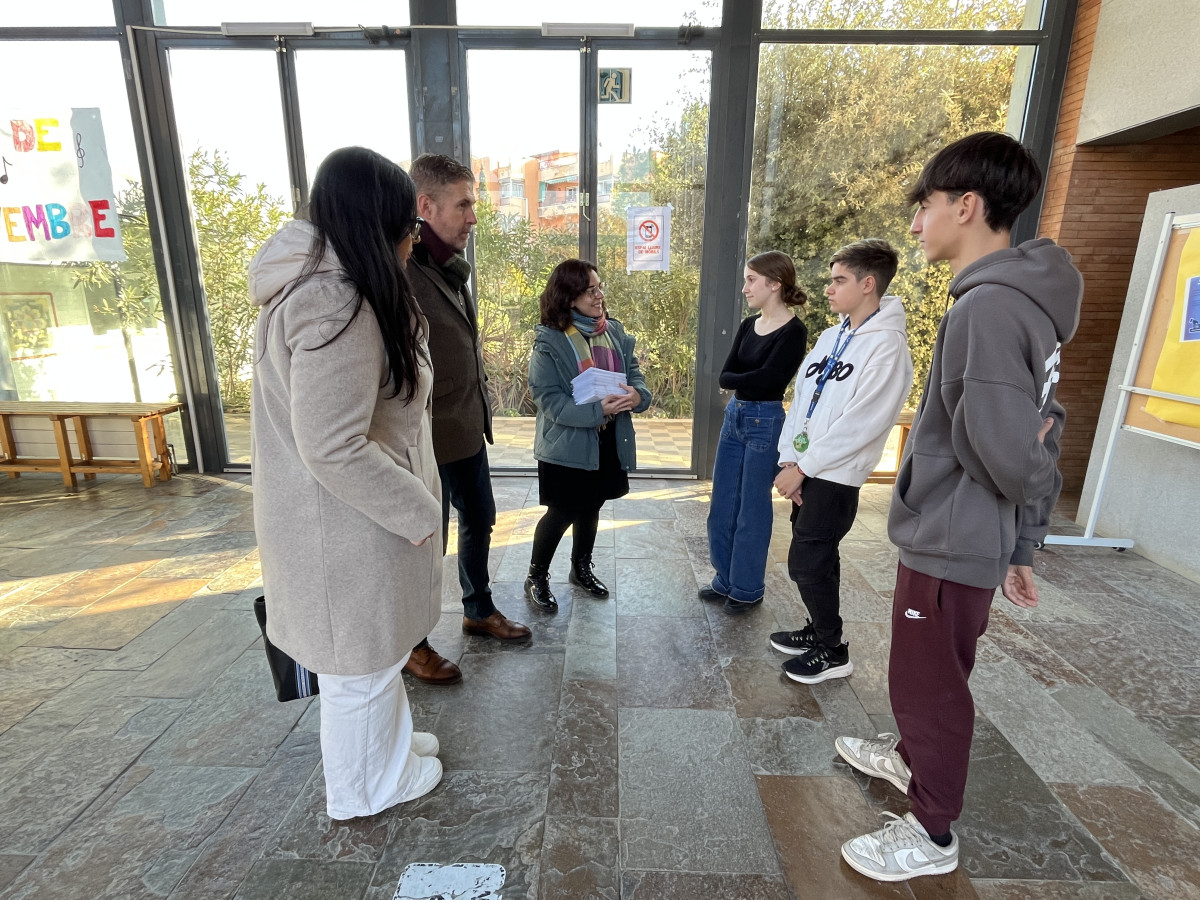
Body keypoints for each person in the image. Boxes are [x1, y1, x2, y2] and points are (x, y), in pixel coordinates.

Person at [835, 132, 1082, 882]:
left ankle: (932, 830)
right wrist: (1022, 543)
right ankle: (912, 760)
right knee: (935, 672)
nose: (917, 225)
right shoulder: (1022, 303)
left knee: (929, 686)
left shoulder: (988, 308)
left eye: (927, 207)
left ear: (966, 206)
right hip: (969, 533)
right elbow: (1044, 424)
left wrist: (1019, 521)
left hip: (953, 535)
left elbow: (1013, 447)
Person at [250, 147, 444, 819]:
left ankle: (387, 752)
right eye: (408, 224)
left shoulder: (322, 289)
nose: (413, 238)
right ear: (376, 223)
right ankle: (365, 789)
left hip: (342, 521)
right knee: (357, 667)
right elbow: (333, 444)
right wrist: (417, 509)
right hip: (346, 525)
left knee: (374, 654)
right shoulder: (337, 303)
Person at [404, 153, 531, 686]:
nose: (473, 217)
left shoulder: (450, 267)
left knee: (480, 516)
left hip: (465, 426)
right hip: (423, 435)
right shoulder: (401, 270)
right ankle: (412, 642)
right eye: (463, 205)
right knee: (424, 539)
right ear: (426, 206)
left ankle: (478, 609)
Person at [769, 239, 913, 683]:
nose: (828, 289)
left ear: (868, 284)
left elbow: (863, 423)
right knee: (818, 556)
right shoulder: (832, 336)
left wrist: (804, 469)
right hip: (807, 468)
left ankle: (832, 649)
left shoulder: (888, 347)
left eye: (839, 280)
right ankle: (818, 631)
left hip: (835, 476)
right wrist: (789, 460)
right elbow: (803, 400)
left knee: (806, 563)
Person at [524, 260, 651, 612]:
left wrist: (637, 396)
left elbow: (635, 376)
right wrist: (598, 411)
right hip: (567, 444)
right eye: (590, 290)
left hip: (607, 439)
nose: (599, 296)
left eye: (599, 287)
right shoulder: (549, 341)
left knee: (592, 504)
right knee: (562, 511)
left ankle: (581, 568)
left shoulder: (615, 331)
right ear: (569, 298)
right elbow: (549, 401)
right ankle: (536, 576)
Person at [700, 251, 807, 614]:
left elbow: (769, 381)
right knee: (722, 504)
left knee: (752, 511)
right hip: (735, 415)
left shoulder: (794, 331)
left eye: (751, 280)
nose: (745, 288)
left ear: (774, 284)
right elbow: (725, 375)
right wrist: (748, 380)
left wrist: (743, 380)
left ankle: (746, 589)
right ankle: (725, 579)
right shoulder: (749, 325)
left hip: (765, 421)